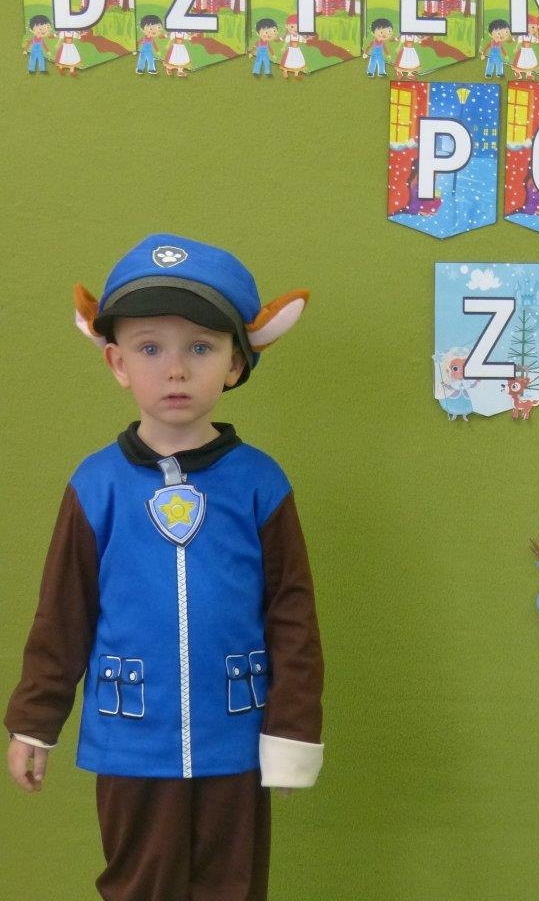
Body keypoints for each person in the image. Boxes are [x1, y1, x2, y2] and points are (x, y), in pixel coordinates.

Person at [5, 233, 324, 901]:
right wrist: (35, 719)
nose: (175, 370)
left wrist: (292, 727)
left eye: (200, 348)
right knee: (138, 887)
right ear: (117, 362)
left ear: (235, 362)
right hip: (131, 738)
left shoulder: (261, 483)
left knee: (232, 887)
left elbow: (291, 613)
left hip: (234, 735)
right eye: (151, 348)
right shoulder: (96, 485)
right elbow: (63, 611)